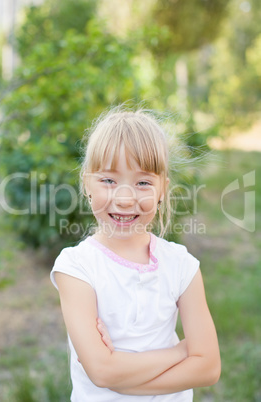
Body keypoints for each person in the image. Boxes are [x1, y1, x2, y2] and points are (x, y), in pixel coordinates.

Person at [50, 107, 221, 402]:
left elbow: (208, 367)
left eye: (143, 182)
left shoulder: (181, 265)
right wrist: (182, 351)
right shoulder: (76, 267)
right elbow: (102, 372)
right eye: (108, 180)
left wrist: (126, 382)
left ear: (162, 190)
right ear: (86, 183)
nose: (125, 198)